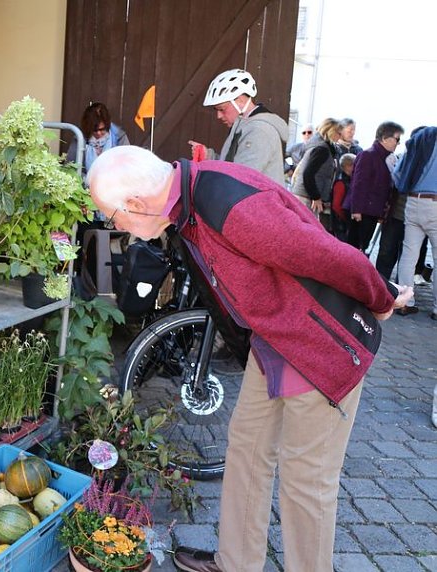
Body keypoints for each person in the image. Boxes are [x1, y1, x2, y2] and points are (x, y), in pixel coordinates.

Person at [87, 145, 412, 572]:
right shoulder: (189, 201)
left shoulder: (227, 204)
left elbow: (328, 254)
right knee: (247, 448)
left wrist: (383, 298)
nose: (117, 227)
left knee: (306, 478)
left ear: (134, 203)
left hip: (319, 345)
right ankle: (236, 562)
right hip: (273, 339)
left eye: (112, 217)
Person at [187, 69, 288, 185]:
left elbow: (239, 179)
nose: (219, 116)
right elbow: (233, 166)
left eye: (222, 109)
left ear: (240, 101)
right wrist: (208, 156)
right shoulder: (244, 124)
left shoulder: (259, 131)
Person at [393, 125, 437, 319]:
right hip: (435, 202)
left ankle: (404, 302)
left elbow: (397, 174)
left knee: (408, 255)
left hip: (412, 201)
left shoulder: (417, 142)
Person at [346, 121, 405, 251]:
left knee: (361, 247)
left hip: (371, 211)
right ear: (384, 138)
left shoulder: (387, 158)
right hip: (363, 212)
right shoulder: (368, 155)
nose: (398, 143)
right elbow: (359, 184)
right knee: (354, 247)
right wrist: (356, 210)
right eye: (397, 139)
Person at [290, 118, 342, 231]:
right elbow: (308, 174)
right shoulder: (321, 149)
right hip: (306, 197)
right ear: (331, 131)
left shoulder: (318, 146)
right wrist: (316, 196)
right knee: (306, 231)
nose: (340, 136)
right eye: (338, 133)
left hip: (305, 195)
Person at [66, 101, 130, 186]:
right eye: (95, 130)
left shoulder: (119, 137)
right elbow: (70, 167)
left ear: (107, 125)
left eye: (102, 129)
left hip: (114, 186)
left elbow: (127, 166)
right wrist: (88, 181)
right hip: (86, 186)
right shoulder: (80, 138)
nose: (98, 133)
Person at [331, 153, 356, 239]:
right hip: (340, 224)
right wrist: (345, 218)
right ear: (348, 166)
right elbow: (336, 206)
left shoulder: (349, 180)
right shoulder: (341, 182)